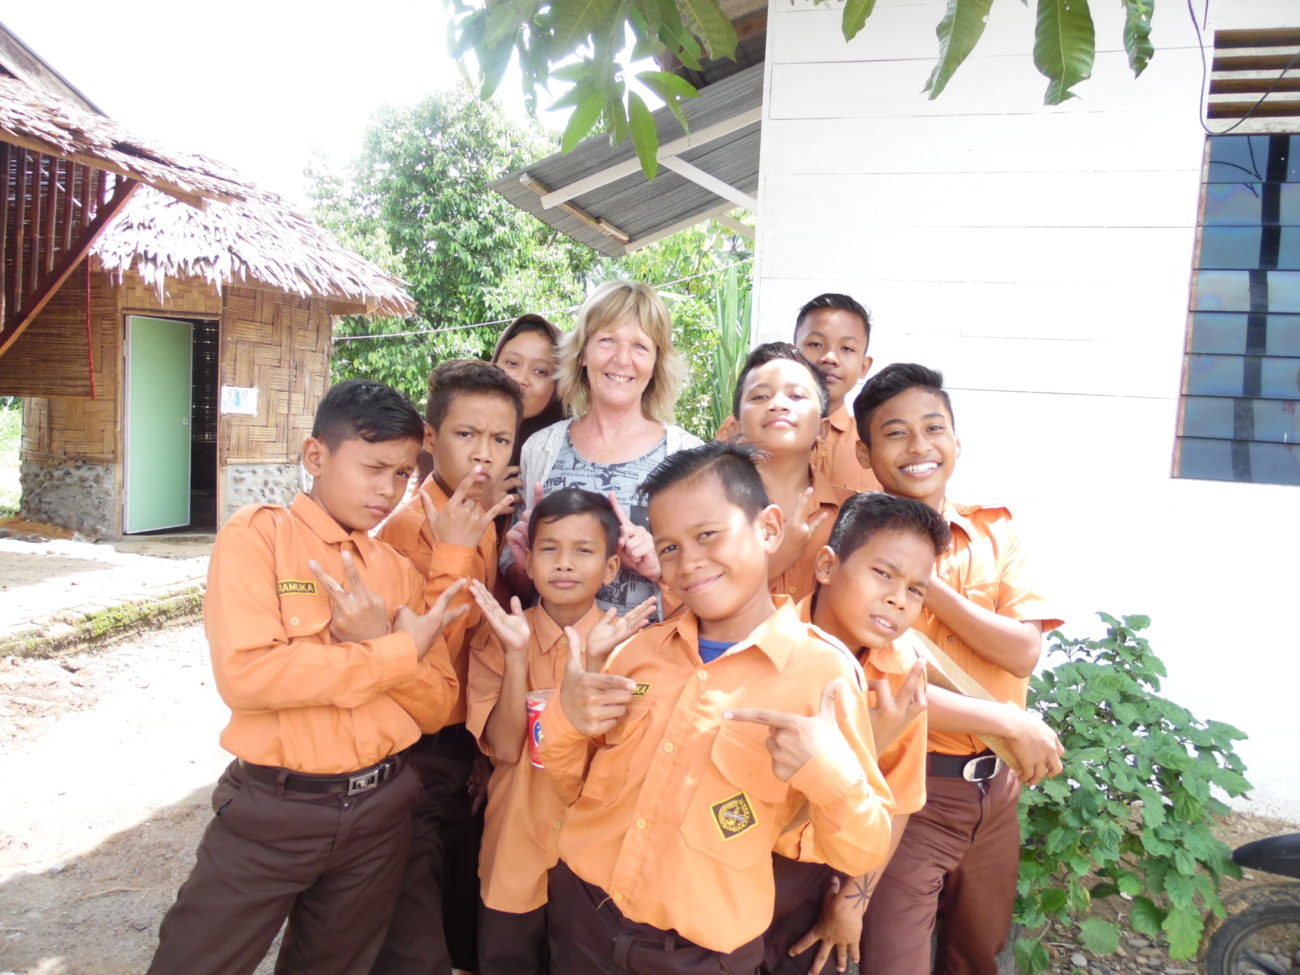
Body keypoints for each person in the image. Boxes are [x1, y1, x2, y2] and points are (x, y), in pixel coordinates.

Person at [538, 441, 896, 974]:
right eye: (670, 547)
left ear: (769, 529)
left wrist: (827, 773)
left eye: (708, 535)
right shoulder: (637, 653)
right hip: (584, 918)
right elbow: (571, 786)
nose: (689, 562)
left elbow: (861, 852)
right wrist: (567, 716)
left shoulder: (822, 675)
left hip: (701, 955)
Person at [149, 379, 468, 975]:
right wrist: (391, 654)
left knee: (332, 965)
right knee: (196, 961)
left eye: (402, 474)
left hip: (380, 810)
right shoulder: (259, 537)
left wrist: (378, 646)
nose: (388, 490)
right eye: (374, 467)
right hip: (274, 809)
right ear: (315, 456)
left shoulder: (395, 571)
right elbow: (248, 676)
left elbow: (437, 706)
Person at [852, 363, 1064, 975]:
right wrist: (1007, 719)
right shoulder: (850, 551)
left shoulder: (998, 532)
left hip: (996, 790)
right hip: (908, 787)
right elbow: (875, 683)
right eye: (895, 433)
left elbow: (1023, 651)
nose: (918, 447)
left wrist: (924, 581)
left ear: (956, 441)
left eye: (933, 427)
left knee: (977, 953)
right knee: (890, 960)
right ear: (865, 453)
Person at [466, 488, 656, 975]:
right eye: (549, 549)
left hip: (593, 867)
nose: (564, 564)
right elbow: (506, 749)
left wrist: (596, 664)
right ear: (528, 564)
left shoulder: (632, 646)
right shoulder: (502, 634)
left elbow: (625, 751)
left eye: (584, 550)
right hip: (516, 847)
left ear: (612, 568)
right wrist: (515, 658)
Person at [372, 359, 521, 975]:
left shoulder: (480, 515)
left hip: (461, 736)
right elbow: (427, 642)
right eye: (466, 435)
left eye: (500, 438)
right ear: (431, 439)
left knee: (454, 884)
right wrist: (455, 551)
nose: (483, 453)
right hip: (416, 737)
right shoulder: (411, 528)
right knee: (413, 893)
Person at [762, 492, 951, 975]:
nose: (897, 598)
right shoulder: (767, 647)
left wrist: (853, 901)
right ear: (826, 565)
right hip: (748, 860)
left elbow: (898, 801)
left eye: (915, 589)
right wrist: (867, 741)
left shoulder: (901, 676)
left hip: (828, 873)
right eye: (883, 574)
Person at [505, 280, 702, 615]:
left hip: (650, 661)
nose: (622, 360)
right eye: (607, 340)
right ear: (582, 353)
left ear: (656, 363)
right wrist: (527, 563)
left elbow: (707, 580)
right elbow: (517, 580)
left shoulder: (688, 455)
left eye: (640, 346)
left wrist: (660, 566)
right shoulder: (540, 449)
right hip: (555, 660)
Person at [719, 294, 879, 496]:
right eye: (815, 344)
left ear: (864, 366)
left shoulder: (871, 440)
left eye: (847, 348)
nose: (830, 358)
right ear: (794, 352)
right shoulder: (741, 429)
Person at [732, 342, 847, 603]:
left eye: (796, 396)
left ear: (822, 429)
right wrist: (778, 559)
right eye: (760, 396)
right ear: (735, 427)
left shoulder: (852, 514)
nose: (777, 404)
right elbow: (682, 614)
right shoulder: (712, 509)